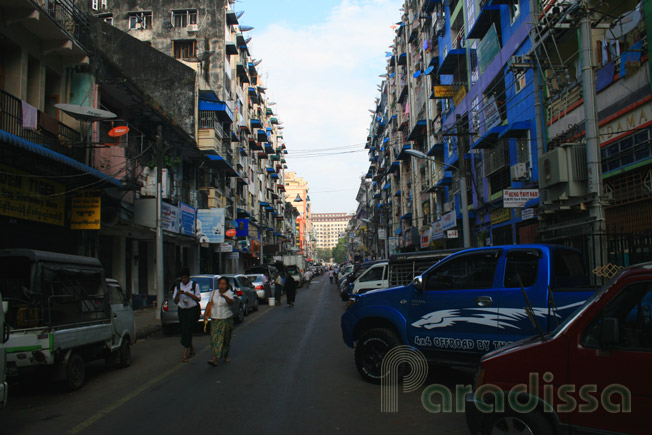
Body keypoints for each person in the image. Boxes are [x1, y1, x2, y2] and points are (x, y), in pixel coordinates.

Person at [205, 276, 235, 367]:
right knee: (215, 339)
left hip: (226, 318)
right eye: (220, 284)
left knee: (225, 338)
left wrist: (224, 296)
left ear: (227, 285)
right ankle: (214, 358)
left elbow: (231, 303)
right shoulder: (214, 293)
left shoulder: (230, 293)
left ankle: (226, 354)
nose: (221, 286)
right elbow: (209, 304)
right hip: (215, 319)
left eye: (223, 284)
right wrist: (206, 315)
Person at [173, 268, 201, 363]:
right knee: (184, 329)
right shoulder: (178, 286)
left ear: (188, 277)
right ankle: (191, 348)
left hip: (191, 310)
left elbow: (198, 299)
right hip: (182, 310)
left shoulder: (194, 285)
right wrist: (178, 294)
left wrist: (189, 294)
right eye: (182, 278)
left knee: (188, 329)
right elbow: (175, 301)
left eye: (185, 278)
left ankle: (185, 354)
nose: (184, 280)